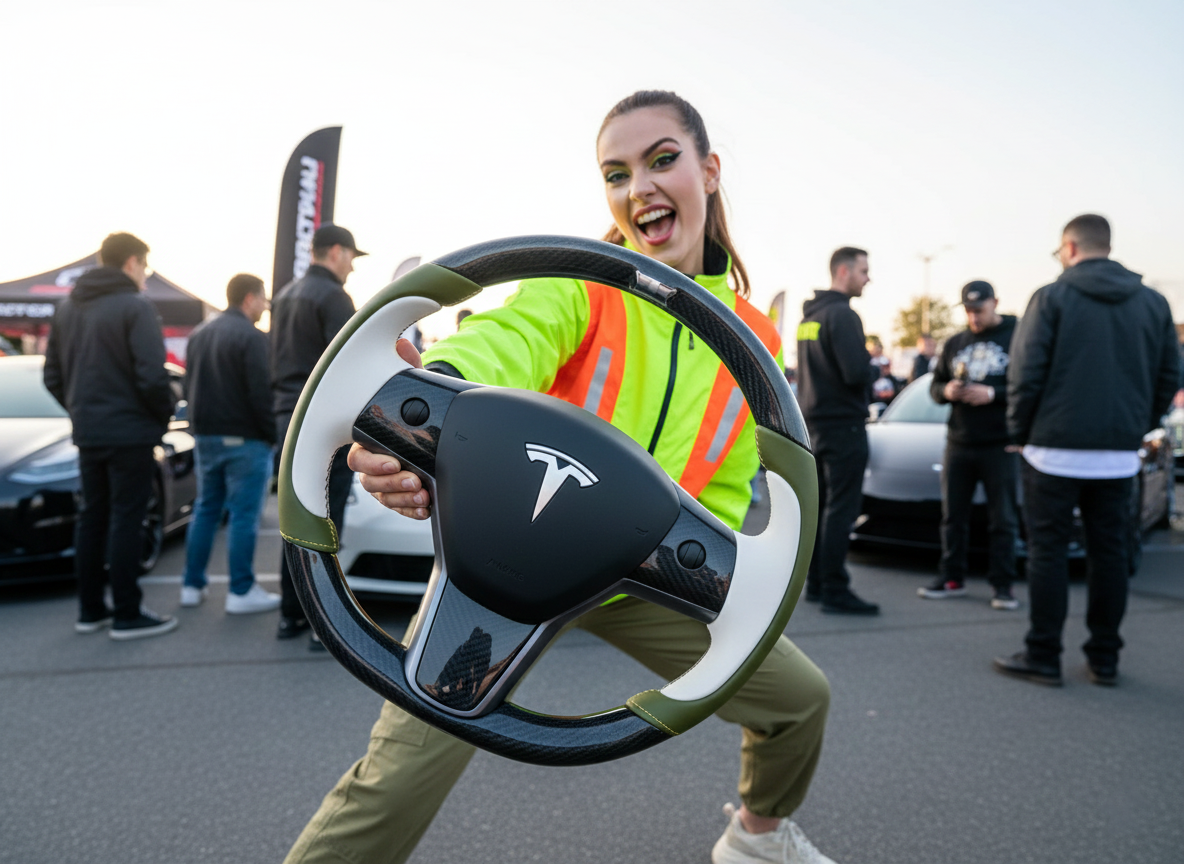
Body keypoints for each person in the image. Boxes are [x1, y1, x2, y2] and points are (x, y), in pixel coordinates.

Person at [284, 90, 835, 864]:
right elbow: (501, 344)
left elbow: (730, 486)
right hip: (516, 563)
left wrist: (720, 589)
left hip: (641, 573)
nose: (638, 187)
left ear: (709, 172)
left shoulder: (755, 337)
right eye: (616, 173)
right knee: (396, 781)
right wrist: (417, 419)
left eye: (662, 160)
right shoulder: (580, 284)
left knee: (801, 701)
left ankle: (757, 836)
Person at [996, 214, 1178, 687]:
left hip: (1052, 451)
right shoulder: (1154, 303)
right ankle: (1105, 659)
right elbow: (1169, 376)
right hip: (1119, 454)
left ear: (1070, 248)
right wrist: (1138, 425)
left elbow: (1025, 373)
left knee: (1048, 554)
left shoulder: (1052, 296)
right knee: (1110, 554)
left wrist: (1019, 429)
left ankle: (1043, 655)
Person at [43, 232, 178, 639]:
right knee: (126, 520)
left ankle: (90, 611)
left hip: (89, 433)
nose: (146, 277)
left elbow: (52, 376)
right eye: (146, 268)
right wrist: (163, 415)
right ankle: (126, 613)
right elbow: (152, 376)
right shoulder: (135, 307)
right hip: (131, 433)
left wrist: (82, 411)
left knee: (92, 519)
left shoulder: (67, 308)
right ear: (132, 263)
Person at [270, 223, 366, 642]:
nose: (351, 267)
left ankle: (291, 614)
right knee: (327, 522)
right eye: (351, 257)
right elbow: (349, 364)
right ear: (335, 252)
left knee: (297, 518)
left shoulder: (287, 295)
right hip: (322, 421)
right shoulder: (333, 296)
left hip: (285, 417)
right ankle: (321, 622)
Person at [180, 274, 280, 614]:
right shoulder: (252, 338)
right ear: (250, 298)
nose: (266, 306)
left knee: (206, 509)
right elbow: (260, 393)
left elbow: (186, 385)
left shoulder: (199, 334)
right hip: (246, 439)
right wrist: (271, 436)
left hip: (205, 437)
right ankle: (240, 590)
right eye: (263, 299)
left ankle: (192, 586)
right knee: (242, 515)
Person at [921, 280, 1020, 609]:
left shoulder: (1016, 337)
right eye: (968, 311)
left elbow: (1030, 386)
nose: (974, 317)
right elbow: (934, 387)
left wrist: (993, 394)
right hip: (959, 442)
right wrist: (946, 391)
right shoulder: (955, 342)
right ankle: (952, 578)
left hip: (1000, 444)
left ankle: (1003, 586)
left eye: (979, 310)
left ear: (995, 303)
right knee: (953, 517)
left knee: (1003, 520)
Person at [796, 247, 880, 615]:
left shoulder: (808, 319)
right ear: (843, 272)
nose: (868, 278)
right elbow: (856, 373)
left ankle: (816, 583)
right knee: (841, 511)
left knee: (821, 509)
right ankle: (834, 587)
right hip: (843, 426)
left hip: (813, 425)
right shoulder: (843, 316)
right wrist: (874, 366)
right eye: (864, 270)